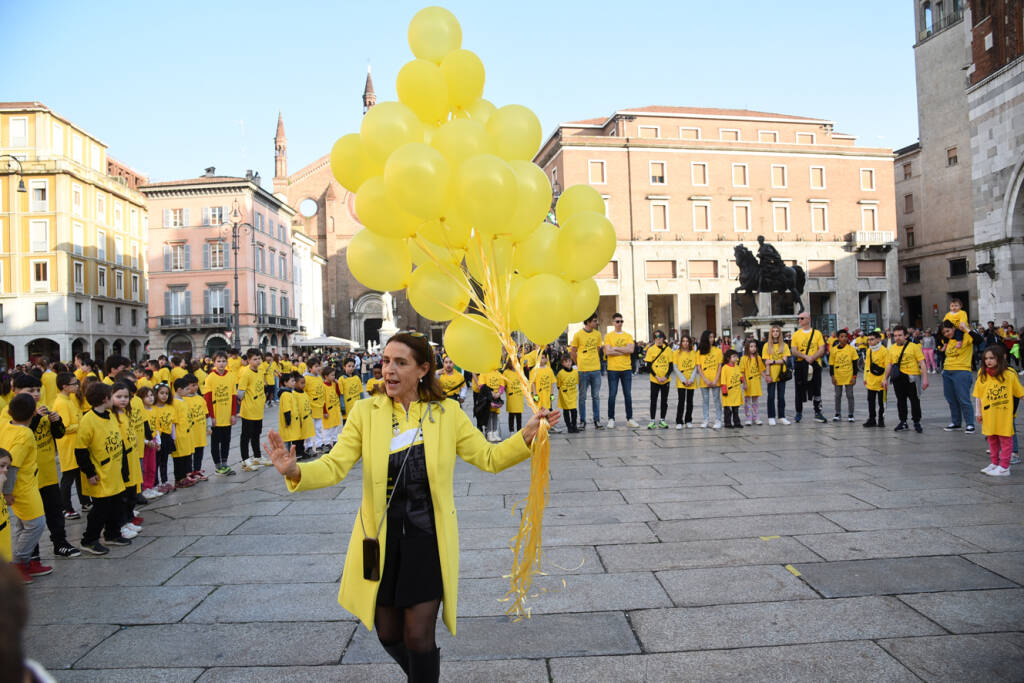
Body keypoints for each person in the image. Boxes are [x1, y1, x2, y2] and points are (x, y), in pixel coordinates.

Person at [262, 332, 560, 681]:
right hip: (381, 540)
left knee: (418, 636)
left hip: (427, 538)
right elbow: (335, 465)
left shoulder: (446, 412)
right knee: (388, 633)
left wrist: (525, 436)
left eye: (400, 363)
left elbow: (489, 457)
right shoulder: (364, 411)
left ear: (422, 369)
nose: (388, 369)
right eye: (386, 361)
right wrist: (296, 471)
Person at [76, 381, 133, 555]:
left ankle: (112, 534)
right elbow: (80, 450)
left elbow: (120, 444)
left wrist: (124, 469)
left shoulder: (110, 416)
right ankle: (89, 539)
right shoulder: (88, 420)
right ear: (105, 399)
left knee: (116, 505)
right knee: (100, 510)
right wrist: (90, 473)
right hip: (100, 474)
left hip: (115, 472)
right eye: (112, 396)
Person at [1, 394, 52, 581]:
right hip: (22, 487)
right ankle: (18, 564)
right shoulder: (25, 435)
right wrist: (7, 493)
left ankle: (24, 562)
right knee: (36, 524)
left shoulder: (6, 424)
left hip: (25, 485)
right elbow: (13, 466)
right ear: (33, 413)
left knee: (23, 524)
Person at [973, 344, 1023, 476]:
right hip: (989, 413)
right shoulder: (982, 373)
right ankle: (994, 463)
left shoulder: (1010, 374)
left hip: (1004, 414)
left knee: (1006, 440)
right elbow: (978, 395)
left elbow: (1019, 392)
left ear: (1000, 359)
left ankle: (1005, 466)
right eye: (986, 358)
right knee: (992, 439)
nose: (988, 361)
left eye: (992, 358)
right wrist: (978, 412)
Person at [885, 325, 929, 433]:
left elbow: (922, 363)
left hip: (912, 377)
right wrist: (885, 378)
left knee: (914, 400)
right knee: (901, 401)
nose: (897, 338)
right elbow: (889, 365)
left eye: (900, 335)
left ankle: (916, 422)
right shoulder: (892, 348)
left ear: (906, 335)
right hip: (898, 378)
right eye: (895, 335)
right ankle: (903, 421)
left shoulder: (914, 347)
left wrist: (925, 379)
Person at [54, 373, 87, 517]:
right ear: (65, 386)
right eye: (74, 383)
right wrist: (81, 425)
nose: (77, 386)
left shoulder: (69, 399)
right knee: (68, 477)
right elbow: (64, 427)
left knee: (80, 474)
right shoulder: (61, 402)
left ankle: (85, 501)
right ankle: (66, 507)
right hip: (68, 445)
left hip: (76, 443)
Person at [939, 320, 977, 433]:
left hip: (962, 371)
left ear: (954, 328)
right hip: (947, 372)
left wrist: (966, 328)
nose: (946, 334)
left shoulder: (966, 337)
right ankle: (956, 422)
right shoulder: (948, 340)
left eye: (948, 331)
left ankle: (970, 424)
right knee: (951, 398)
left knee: (964, 399)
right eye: (944, 332)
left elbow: (979, 340)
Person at [203, 352, 238, 476]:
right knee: (215, 442)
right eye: (218, 361)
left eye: (223, 361)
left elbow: (234, 397)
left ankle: (225, 463)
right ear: (214, 362)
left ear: (227, 362)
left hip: (227, 416)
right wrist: (211, 417)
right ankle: (218, 466)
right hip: (216, 418)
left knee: (226, 441)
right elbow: (207, 399)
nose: (221, 364)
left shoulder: (231, 376)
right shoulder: (210, 377)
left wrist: (233, 414)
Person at [604, 314, 639, 429]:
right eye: (617, 321)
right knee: (612, 395)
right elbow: (608, 352)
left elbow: (631, 349)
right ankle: (611, 418)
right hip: (613, 369)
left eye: (621, 321)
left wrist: (615, 348)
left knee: (628, 395)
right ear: (613, 322)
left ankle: (630, 418)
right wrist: (623, 351)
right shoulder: (608, 336)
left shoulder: (628, 335)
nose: (619, 323)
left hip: (626, 369)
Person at [791, 313, 828, 423]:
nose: (800, 320)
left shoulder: (817, 333)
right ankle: (798, 412)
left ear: (808, 319)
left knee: (817, 388)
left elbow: (821, 349)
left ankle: (818, 411)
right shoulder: (796, 335)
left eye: (802, 318)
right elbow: (794, 350)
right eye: (798, 318)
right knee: (799, 388)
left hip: (815, 364)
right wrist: (805, 356)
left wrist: (812, 357)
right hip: (801, 364)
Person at [569, 314, 603, 430]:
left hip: (596, 369)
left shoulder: (597, 334)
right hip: (583, 370)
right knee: (582, 396)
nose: (596, 323)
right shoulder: (578, 334)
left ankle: (596, 420)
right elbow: (573, 351)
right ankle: (582, 421)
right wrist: (578, 363)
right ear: (588, 322)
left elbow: (598, 349)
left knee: (596, 396)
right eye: (594, 321)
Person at [238, 350, 268, 470]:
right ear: (249, 360)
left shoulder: (260, 371)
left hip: (258, 409)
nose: (257, 361)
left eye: (259, 358)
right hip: (249, 410)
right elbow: (240, 392)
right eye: (255, 359)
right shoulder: (246, 373)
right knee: (246, 436)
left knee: (256, 434)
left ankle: (257, 457)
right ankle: (245, 460)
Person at [760, 325, 791, 426]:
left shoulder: (784, 345)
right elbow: (766, 362)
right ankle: (771, 417)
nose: (776, 333)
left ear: (780, 333)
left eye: (777, 331)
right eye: (773, 331)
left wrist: (772, 361)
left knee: (781, 397)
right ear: (771, 333)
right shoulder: (766, 346)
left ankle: (782, 417)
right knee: (771, 396)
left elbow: (784, 360)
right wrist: (768, 374)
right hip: (771, 375)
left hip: (782, 374)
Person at [696, 330, 723, 430]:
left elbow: (720, 366)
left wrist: (716, 379)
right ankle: (706, 419)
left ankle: (718, 419)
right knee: (705, 401)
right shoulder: (699, 352)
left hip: (716, 380)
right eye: (710, 337)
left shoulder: (718, 351)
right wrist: (705, 380)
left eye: (713, 337)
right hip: (704, 381)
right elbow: (699, 367)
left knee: (716, 400)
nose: (712, 339)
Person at [830, 329, 859, 422]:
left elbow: (855, 365)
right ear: (838, 338)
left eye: (845, 336)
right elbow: (831, 365)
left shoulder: (851, 349)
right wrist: (832, 376)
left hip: (849, 376)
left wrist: (854, 377)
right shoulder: (834, 350)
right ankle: (837, 413)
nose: (844, 338)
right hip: (838, 376)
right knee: (837, 395)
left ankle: (851, 414)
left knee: (850, 395)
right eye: (841, 336)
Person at [644, 331, 672, 429]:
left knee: (664, 401)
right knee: (653, 400)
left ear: (663, 338)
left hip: (665, 380)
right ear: (654, 339)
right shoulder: (651, 349)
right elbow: (648, 366)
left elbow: (671, 365)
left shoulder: (668, 350)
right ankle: (652, 421)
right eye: (656, 338)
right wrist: (656, 376)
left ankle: (662, 420)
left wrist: (666, 376)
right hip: (655, 380)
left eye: (660, 337)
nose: (659, 339)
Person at [863, 330, 889, 428]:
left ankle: (881, 419)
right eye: (868, 339)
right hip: (870, 381)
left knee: (881, 402)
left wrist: (885, 379)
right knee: (871, 401)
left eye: (872, 339)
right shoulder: (869, 350)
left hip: (881, 381)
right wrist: (865, 377)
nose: (870, 341)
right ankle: (872, 419)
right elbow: (867, 366)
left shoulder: (884, 351)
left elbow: (887, 366)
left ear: (878, 339)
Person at [672, 334, 698, 429]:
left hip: (691, 379)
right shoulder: (676, 353)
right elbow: (675, 367)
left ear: (690, 342)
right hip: (681, 379)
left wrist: (691, 379)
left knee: (690, 401)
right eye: (683, 341)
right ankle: (679, 421)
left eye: (687, 341)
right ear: (680, 342)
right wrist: (683, 380)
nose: (685, 343)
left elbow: (695, 367)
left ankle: (688, 420)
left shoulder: (694, 353)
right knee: (681, 400)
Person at [739, 339, 764, 426]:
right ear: (747, 348)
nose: (753, 348)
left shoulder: (758, 358)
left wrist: (766, 377)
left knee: (755, 402)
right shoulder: (743, 359)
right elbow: (741, 372)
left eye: (754, 346)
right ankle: (748, 417)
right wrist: (744, 383)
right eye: (751, 346)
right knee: (748, 402)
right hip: (748, 383)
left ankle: (756, 417)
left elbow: (761, 370)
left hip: (756, 383)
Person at [720, 349, 746, 429]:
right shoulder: (725, 368)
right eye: (733, 356)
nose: (735, 358)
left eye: (736, 356)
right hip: (728, 392)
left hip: (736, 392)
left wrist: (742, 380)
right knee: (727, 409)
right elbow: (723, 380)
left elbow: (740, 376)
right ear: (728, 358)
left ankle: (737, 422)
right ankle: (727, 423)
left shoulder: (737, 366)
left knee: (736, 409)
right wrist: (724, 390)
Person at [555, 354, 579, 433]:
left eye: (569, 361)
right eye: (566, 362)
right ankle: (569, 426)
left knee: (574, 411)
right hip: (565, 396)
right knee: (566, 411)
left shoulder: (575, 372)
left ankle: (574, 425)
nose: (568, 363)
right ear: (562, 363)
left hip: (573, 395)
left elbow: (577, 382)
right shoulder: (560, 373)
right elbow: (558, 385)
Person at [501, 360, 525, 435]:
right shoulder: (506, 372)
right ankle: (511, 430)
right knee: (511, 414)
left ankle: (519, 431)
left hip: (519, 396)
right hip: (511, 396)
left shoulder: (520, 371)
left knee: (519, 414)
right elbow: (503, 384)